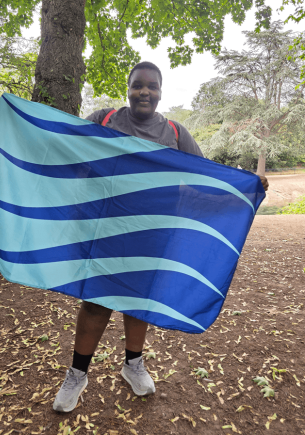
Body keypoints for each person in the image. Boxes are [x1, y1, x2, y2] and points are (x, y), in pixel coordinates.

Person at [53, 62, 269, 412]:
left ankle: (132, 364)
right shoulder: (104, 121)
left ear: (160, 92)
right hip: (105, 232)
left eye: (152, 86)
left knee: (139, 301)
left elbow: (205, 178)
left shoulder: (174, 132)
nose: (145, 92)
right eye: (138, 85)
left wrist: (246, 187)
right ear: (128, 88)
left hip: (152, 235)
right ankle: (77, 374)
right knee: (95, 302)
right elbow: (68, 150)